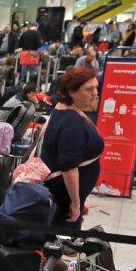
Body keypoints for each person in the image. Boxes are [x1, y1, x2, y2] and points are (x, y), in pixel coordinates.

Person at [40, 67, 104, 230]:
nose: (95, 93)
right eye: (89, 89)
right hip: (65, 200)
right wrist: (75, 202)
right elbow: (69, 167)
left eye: (96, 87)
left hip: (63, 195)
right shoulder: (71, 123)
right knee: (61, 242)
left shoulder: (65, 110)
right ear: (71, 92)